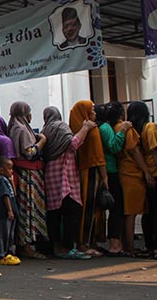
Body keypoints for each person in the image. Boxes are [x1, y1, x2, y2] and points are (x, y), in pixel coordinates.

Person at [42, 105, 95, 259]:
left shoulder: (46, 130)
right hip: (65, 173)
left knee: (54, 213)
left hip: (51, 175)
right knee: (73, 211)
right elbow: (72, 144)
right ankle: (67, 247)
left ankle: (56, 246)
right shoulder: (61, 126)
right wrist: (85, 128)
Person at [6, 101, 48, 259]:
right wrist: (42, 141)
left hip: (27, 174)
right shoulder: (21, 129)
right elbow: (29, 152)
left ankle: (27, 244)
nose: (31, 115)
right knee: (28, 210)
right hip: (28, 175)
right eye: (29, 112)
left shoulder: (17, 128)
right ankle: (26, 245)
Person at [119, 102, 156, 257]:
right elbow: (134, 152)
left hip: (124, 171)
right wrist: (147, 172)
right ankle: (130, 247)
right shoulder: (129, 130)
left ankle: (127, 245)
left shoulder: (119, 128)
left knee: (128, 213)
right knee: (131, 213)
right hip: (132, 174)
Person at [70, 100, 107, 256]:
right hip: (91, 170)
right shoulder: (89, 129)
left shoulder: (79, 127)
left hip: (83, 170)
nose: (95, 112)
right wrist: (104, 176)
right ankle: (84, 242)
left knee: (91, 208)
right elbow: (98, 154)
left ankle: (90, 241)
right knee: (89, 208)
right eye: (91, 110)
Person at [137, 103, 157, 259]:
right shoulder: (150, 127)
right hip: (156, 172)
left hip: (147, 173)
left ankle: (150, 244)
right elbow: (155, 150)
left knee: (149, 212)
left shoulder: (139, 130)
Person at [98, 102, 129, 256]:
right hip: (110, 171)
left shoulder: (102, 127)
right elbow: (114, 146)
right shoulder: (104, 128)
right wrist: (122, 131)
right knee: (116, 208)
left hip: (106, 170)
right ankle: (114, 243)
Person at [0, 156, 20, 265]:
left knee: (9, 233)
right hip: (3, 212)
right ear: (1, 170)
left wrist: (12, 181)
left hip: (11, 211)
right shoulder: (1, 180)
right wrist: (9, 210)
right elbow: (5, 195)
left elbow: (14, 193)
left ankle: (8, 252)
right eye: (9, 168)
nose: (11, 171)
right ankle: (0, 254)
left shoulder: (7, 180)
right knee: (1, 233)